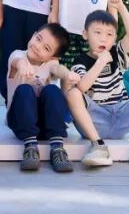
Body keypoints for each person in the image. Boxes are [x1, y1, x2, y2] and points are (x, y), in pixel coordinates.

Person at [63, 0, 129, 168]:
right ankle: (98, 146)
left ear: (114, 38)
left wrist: (121, 7)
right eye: (97, 32)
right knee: (73, 93)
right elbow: (83, 87)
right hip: (96, 120)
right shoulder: (80, 61)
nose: (103, 38)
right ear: (85, 34)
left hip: (121, 115)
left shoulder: (116, 54)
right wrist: (100, 62)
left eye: (109, 34)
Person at [4, 22, 77, 173]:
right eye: (38, 39)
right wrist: (23, 66)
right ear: (33, 35)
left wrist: (67, 74)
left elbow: (57, 68)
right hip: (20, 123)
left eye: (46, 48)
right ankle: (30, 147)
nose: (38, 46)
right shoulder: (18, 55)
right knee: (25, 90)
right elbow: (17, 62)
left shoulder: (51, 64)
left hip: (45, 126)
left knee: (52, 90)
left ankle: (57, 147)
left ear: (53, 56)